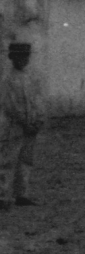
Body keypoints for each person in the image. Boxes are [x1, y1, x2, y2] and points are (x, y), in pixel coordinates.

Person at [0, 41, 46, 209]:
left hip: (29, 127)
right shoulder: (7, 79)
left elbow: (37, 101)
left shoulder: (29, 77)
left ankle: (21, 194)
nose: (23, 60)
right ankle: (3, 196)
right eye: (20, 57)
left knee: (26, 160)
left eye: (26, 56)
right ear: (13, 58)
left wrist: (38, 119)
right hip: (13, 127)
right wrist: (26, 122)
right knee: (7, 161)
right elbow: (10, 106)